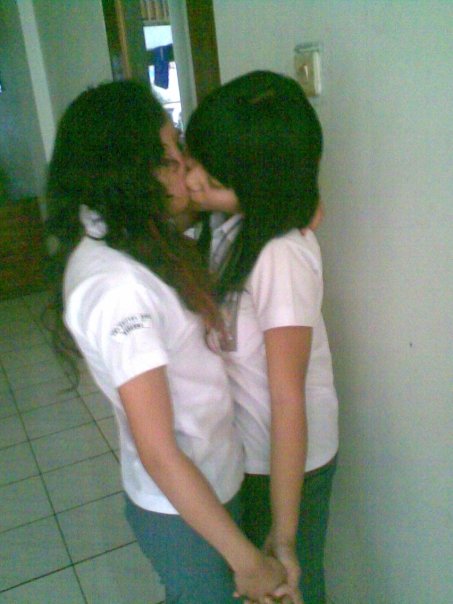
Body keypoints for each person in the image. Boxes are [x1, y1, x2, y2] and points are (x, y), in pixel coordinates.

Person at [44, 80, 292, 604]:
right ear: (133, 171)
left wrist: (296, 199)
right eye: (172, 153)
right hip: (183, 508)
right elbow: (158, 451)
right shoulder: (116, 289)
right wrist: (248, 562)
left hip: (213, 477)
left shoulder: (125, 226)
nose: (186, 165)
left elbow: (242, 200)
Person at [184, 70, 339, 604]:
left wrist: (285, 533)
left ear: (259, 188)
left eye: (213, 178)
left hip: (288, 462)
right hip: (250, 451)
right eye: (193, 159)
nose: (193, 180)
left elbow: (288, 398)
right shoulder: (230, 224)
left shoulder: (279, 256)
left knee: (291, 584)